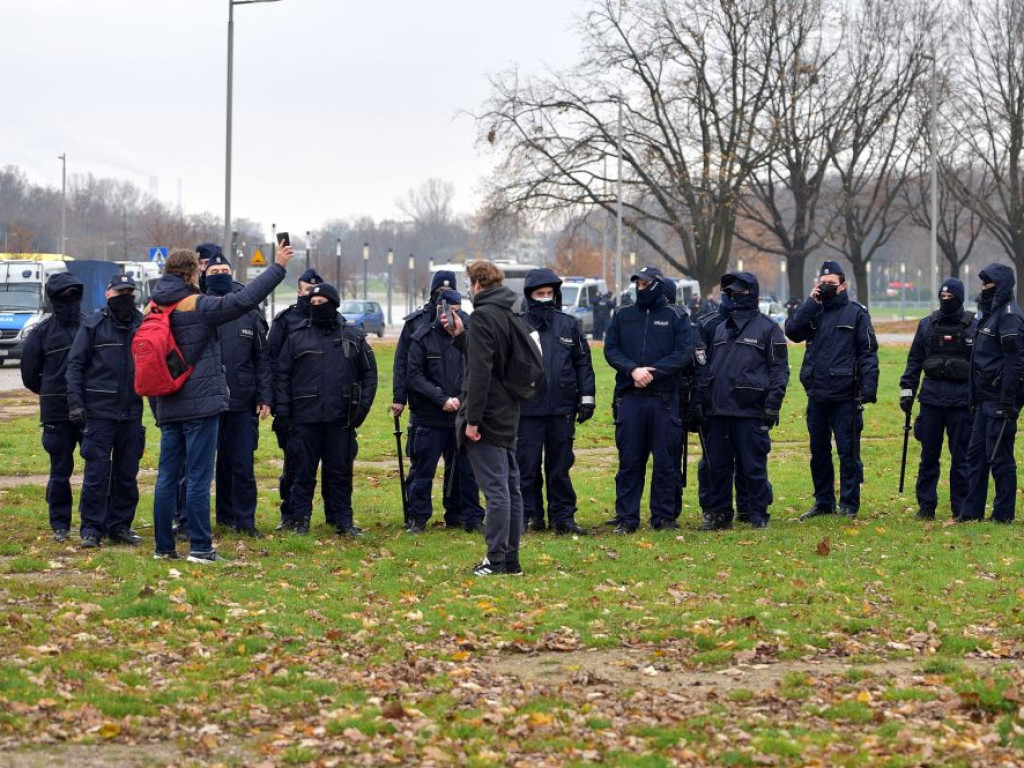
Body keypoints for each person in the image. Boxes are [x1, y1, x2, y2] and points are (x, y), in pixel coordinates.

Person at [150, 243, 294, 562]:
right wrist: (278, 267)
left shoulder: (155, 306)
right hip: (200, 403)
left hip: (168, 401)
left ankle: (163, 547)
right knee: (200, 477)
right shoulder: (196, 305)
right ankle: (200, 547)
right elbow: (244, 299)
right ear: (194, 272)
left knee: (167, 476)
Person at [275, 282, 378, 537]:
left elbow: (369, 375)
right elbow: (282, 376)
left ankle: (342, 520)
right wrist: (284, 412)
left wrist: (362, 408)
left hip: (340, 418)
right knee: (301, 472)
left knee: (339, 472)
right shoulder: (296, 336)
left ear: (334, 304)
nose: (317, 307)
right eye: (313, 303)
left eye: (322, 303)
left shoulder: (353, 337)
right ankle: (300, 519)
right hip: (304, 418)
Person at [442, 261, 525, 575]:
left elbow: (480, 374)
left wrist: (472, 420)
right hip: (508, 413)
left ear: (476, 283)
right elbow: (496, 360)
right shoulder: (507, 313)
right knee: (510, 488)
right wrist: (462, 337)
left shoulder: (482, 317)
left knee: (496, 492)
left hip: (487, 416)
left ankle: (497, 559)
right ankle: (511, 559)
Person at [692, 272, 789, 530]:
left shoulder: (769, 328)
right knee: (718, 467)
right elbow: (709, 368)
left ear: (752, 292)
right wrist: (701, 400)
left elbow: (780, 370)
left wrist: (772, 404)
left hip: (750, 411)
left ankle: (757, 514)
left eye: (739, 291)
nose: (734, 296)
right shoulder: (721, 328)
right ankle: (720, 515)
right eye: (730, 292)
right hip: (719, 410)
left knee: (753, 467)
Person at [786, 260, 878, 520]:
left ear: (843, 286)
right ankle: (823, 501)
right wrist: (809, 303)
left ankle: (849, 504)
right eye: (822, 283)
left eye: (831, 284)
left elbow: (868, 352)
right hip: (817, 392)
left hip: (845, 394)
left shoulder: (857, 313)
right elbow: (792, 332)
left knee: (848, 451)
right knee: (819, 452)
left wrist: (869, 386)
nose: (826, 287)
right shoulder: (813, 310)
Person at [603, 265, 693, 533]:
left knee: (666, 461)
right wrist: (632, 370)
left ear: (655, 284)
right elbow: (611, 350)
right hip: (631, 397)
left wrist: (654, 372)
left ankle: (663, 517)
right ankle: (627, 518)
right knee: (630, 461)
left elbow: (683, 353)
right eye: (637, 284)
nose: (639, 289)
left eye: (644, 284)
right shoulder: (623, 315)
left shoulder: (677, 317)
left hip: (664, 399)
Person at [65, 274, 145, 548]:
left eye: (130, 292)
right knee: (97, 475)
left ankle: (120, 526)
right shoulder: (93, 325)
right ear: (108, 294)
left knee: (126, 475)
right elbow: (74, 366)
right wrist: (75, 403)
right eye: (120, 291)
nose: (125, 296)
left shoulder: (142, 325)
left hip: (132, 412)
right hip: (99, 414)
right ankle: (91, 529)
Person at [517, 269, 596, 535]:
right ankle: (531, 515)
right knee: (526, 466)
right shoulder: (517, 326)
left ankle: (563, 517)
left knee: (560, 466)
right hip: (527, 409)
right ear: (530, 296)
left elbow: (583, 363)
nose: (545, 299)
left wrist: (587, 399)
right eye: (540, 294)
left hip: (561, 408)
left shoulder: (569, 325)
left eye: (549, 294)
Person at [404, 289, 484, 533]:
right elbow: (414, 375)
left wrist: (460, 400)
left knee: (466, 471)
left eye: (456, 311)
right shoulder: (423, 336)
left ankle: (469, 517)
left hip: (462, 415)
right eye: (445, 311)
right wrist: (441, 399)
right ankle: (417, 518)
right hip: (430, 416)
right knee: (423, 470)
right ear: (437, 308)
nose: (450, 317)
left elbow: (479, 371)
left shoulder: (472, 335)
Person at [206, 252, 272, 537]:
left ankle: (246, 521)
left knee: (242, 463)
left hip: (243, 401)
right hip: (207, 401)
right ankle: (223, 517)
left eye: (224, 269)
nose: (220, 273)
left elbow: (263, 359)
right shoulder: (199, 307)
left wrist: (265, 396)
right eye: (214, 270)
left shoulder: (249, 312)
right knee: (211, 465)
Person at [898, 279, 975, 520]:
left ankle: (960, 506)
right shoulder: (927, 325)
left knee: (961, 457)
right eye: (942, 295)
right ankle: (926, 506)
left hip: (961, 404)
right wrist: (907, 390)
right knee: (928, 456)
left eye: (950, 295)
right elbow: (914, 361)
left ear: (960, 298)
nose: (945, 299)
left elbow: (980, 365)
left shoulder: (974, 326)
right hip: (931, 402)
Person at [20, 273, 85, 542]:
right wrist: (50, 392)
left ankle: (94, 523)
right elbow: (29, 375)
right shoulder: (41, 333)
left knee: (97, 468)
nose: (69, 300)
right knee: (60, 470)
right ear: (53, 298)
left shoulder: (90, 326)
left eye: (73, 294)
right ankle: (60, 523)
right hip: (56, 412)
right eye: (63, 295)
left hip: (89, 409)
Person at [959, 264, 1024, 523]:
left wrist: (1009, 400)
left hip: (999, 400)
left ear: (1000, 286)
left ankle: (1002, 514)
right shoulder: (988, 314)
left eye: (987, 284)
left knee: (999, 458)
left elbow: (1015, 362)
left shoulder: (1009, 317)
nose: (982, 289)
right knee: (975, 457)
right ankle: (971, 512)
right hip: (983, 398)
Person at [267, 267, 325, 532]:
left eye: (315, 290)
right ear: (298, 290)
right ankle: (289, 513)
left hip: (321, 406)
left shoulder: (330, 320)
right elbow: (272, 364)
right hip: (291, 405)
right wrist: (278, 405)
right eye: (306, 289)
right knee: (294, 463)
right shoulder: (285, 321)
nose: (311, 295)